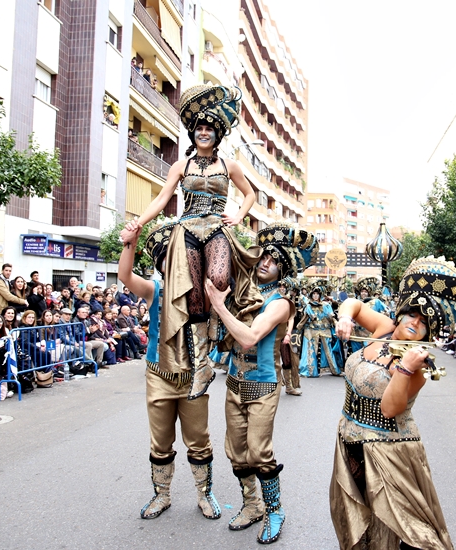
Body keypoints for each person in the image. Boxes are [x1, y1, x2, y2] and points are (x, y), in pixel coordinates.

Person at [120, 84, 261, 400]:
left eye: (210, 127)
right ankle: (202, 366)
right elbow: (162, 197)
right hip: (186, 230)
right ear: (193, 133)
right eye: (200, 127)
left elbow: (251, 194)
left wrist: (238, 216)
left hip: (216, 228)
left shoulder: (230, 166)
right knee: (194, 296)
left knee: (221, 278)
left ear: (217, 134)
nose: (204, 132)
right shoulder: (180, 166)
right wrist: (139, 223)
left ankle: (216, 320)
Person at [332, 257, 456, 550]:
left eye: (425, 322)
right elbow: (352, 302)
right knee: (357, 519)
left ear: (431, 333)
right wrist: (345, 318)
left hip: (388, 449)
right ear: (401, 312)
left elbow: (390, 408)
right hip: (350, 438)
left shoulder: (419, 365)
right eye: (412, 314)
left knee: (395, 525)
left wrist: (404, 369)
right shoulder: (384, 328)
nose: (415, 323)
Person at [206, 223, 317, 544]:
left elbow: (249, 337)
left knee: (258, 452)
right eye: (264, 255)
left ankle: (274, 510)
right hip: (235, 384)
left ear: (284, 267)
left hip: (264, 386)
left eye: (274, 258)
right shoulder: (245, 292)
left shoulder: (281, 303)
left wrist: (218, 305)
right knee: (236, 452)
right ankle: (251, 504)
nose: (266, 261)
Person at [119, 220, 221, 522]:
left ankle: (205, 493)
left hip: (194, 375)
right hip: (159, 374)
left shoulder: (203, 291)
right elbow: (125, 276)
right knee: (160, 441)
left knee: (198, 439)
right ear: (161, 262)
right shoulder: (154, 289)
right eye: (167, 256)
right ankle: (161, 495)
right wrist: (131, 241)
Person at [298, 285, 339, 377]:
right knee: (310, 350)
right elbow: (309, 316)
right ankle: (310, 371)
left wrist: (336, 323)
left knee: (328, 350)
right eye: (314, 294)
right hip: (311, 330)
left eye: (317, 294)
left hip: (325, 329)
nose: (315, 296)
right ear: (311, 295)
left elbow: (331, 316)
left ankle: (335, 370)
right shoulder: (308, 306)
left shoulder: (326, 305)